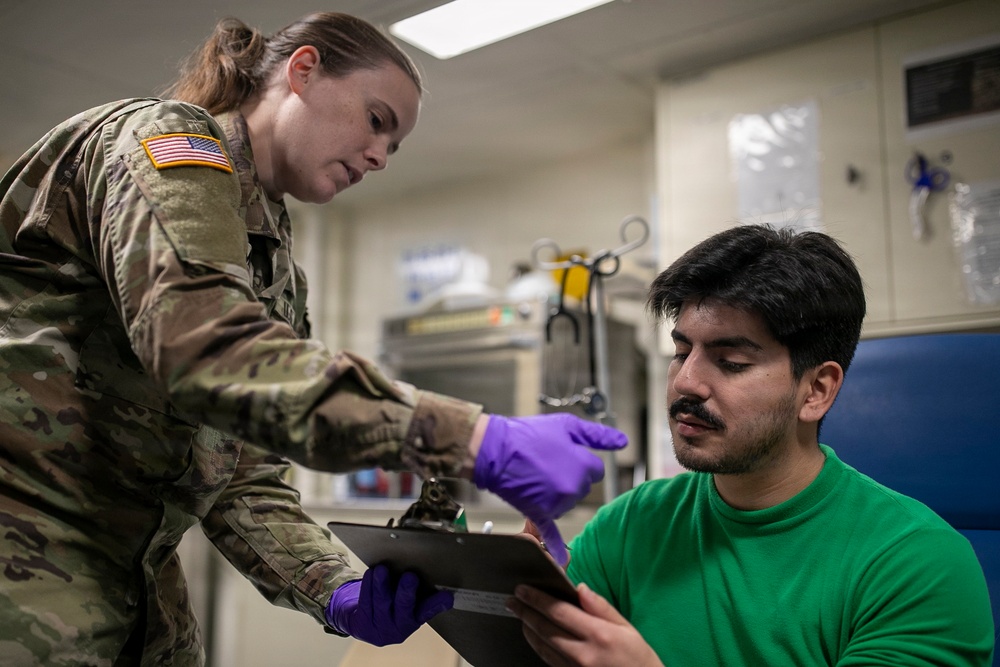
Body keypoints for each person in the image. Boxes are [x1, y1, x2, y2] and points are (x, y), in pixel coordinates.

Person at [0, 12, 627, 665]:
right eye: (377, 120)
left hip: (138, 605)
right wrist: (473, 438)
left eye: (393, 147)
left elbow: (241, 477)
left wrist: (338, 590)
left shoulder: (275, 272)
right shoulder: (169, 139)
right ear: (302, 71)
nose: (379, 156)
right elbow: (205, 348)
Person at [508, 224, 995, 666]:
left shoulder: (917, 565)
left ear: (816, 390)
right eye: (682, 352)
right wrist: (506, 602)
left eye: (732, 362)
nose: (686, 382)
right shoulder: (632, 523)